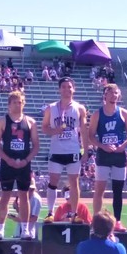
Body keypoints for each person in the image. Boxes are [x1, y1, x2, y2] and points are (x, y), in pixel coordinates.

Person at [0, 91, 40, 240]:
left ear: (24, 104)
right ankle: (0, 229)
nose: (18, 105)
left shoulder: (30, 122)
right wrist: (7, 159)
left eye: (20, 102)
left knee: (24, 196)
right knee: (5, 196)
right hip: (7, 164)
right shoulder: (2, 121)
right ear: (9, 104)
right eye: (15, 102)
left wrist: (26, 160)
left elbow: (36, 145)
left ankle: (25, 230)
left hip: (24, 165)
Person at [41, 77, 88, 223]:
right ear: (59, 89)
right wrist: (55, 131)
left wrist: (85, 150)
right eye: (64, 87)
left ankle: (75, 214)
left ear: (74, 89)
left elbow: (84, 131)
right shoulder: (51, 108)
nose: (67, 89)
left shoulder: (79, 108)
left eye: (69, 87)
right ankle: (50, 212)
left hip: (73, 149)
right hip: (56, 150)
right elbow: (44, 128)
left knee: (74, 182)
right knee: (53, 181)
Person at [89, 83, 127, 231]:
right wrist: (102, 146)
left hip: (119, 155)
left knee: (118, 190)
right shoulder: (97, 114)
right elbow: (91, 136)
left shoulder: (123, 113)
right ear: (105, 95)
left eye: (116, 93)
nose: (114, 95)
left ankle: (118, 221)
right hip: (103, 155)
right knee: (99, 189)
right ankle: (95, 220)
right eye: (111, 93)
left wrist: (123, 146)